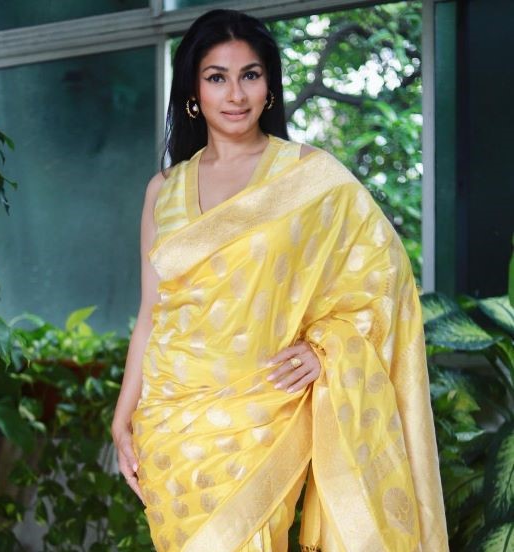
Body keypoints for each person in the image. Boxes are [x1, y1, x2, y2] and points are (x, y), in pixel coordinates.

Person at [111, 9, 448, 552]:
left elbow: (383, 277)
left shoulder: (309, 177)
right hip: (170, 420)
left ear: (269, 85)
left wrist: (327, 348)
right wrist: (123, 414)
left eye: (250, 74)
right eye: (216, 77)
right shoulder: (164, 190)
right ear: (193, 91)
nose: (235, 94)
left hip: (264, 409)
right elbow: (151, 314)